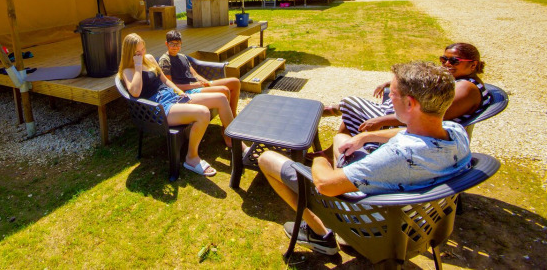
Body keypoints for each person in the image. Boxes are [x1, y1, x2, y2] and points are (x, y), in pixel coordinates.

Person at [258, 61, 471, 255]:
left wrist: (321, 159)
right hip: (420, 219)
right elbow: (409, 135)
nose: (389, 97)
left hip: (372, 221)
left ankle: (320, 235)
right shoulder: (455, 132)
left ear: (410, 104)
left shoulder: (397, 156)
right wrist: (367, 136)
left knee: (267, 159)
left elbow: (326, 185)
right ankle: (346, 240)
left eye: (393, 93)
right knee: (342, 139)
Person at [118, 33, 235, 177]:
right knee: (203, 113)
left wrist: (179, 92)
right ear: (129, 52)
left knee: (221, 98)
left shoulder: (148, 59)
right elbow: (135, 93)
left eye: (143, 49)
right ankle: (191, 158)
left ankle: (233, 141)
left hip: (172, 96)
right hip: (159, 107)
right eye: (137, 52)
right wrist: (137, 67)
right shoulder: (127, 71)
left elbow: (165, 80)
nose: (141, 53)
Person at [325, 43, 491, 138]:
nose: (447, 64)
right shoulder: (459, 81)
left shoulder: (467, 89)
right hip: (408, 117)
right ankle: (331, 124)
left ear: (473, 65)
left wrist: (382, 120)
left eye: (454, 61)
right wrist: (390, 84)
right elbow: (420, 82)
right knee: (353, 111)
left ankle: (327, 114)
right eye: (444, 59)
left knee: (351, 105)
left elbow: (430, 116)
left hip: (416, 130)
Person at [158, 30, 242, 117]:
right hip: (187, 90)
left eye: (178, 44)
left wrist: (207, 83)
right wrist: (195, 85)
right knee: (224, 90)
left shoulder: (182, 57)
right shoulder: (165, 60)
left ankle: (233, 116)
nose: (175, 47)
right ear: (166, 44)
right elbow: (170, 86)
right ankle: (226, 126)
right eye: (172, 44)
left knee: (235, 82)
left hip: (196, 85)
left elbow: (195, 75)